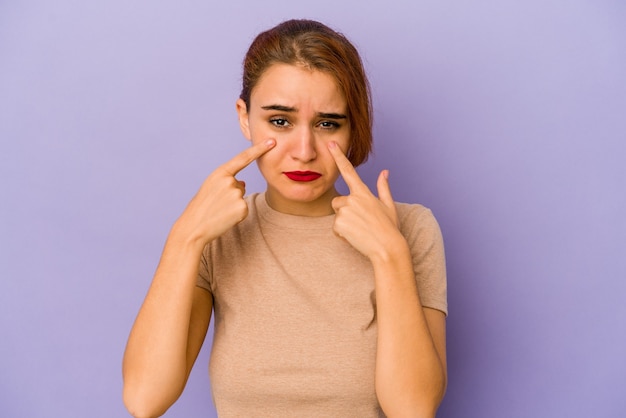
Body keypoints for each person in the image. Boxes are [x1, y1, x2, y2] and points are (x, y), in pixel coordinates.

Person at [122, 19, 447, 418]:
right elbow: (144, 399)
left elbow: (413, 409)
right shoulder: (216, 236)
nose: (305, 150)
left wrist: (389, 255)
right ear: (245, 118)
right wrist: (185, 237)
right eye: (280, 121)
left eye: (328, 123)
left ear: (353, 127)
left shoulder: (410, 228)